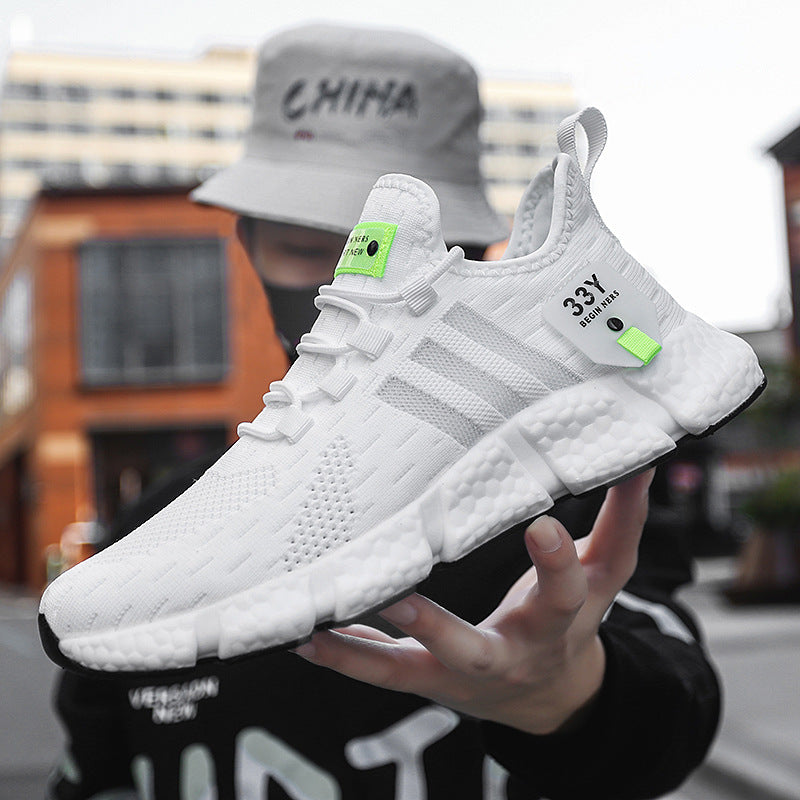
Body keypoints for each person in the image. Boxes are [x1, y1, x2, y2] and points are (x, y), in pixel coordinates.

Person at [49, 24, 720, 800]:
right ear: (248, 244)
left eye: (375, 251)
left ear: (476, 259)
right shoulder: (153, 531)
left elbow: (673, 699)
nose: (350, 283)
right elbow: (92, 773)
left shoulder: (578, 496)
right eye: (312, 248)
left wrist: (565, 695)